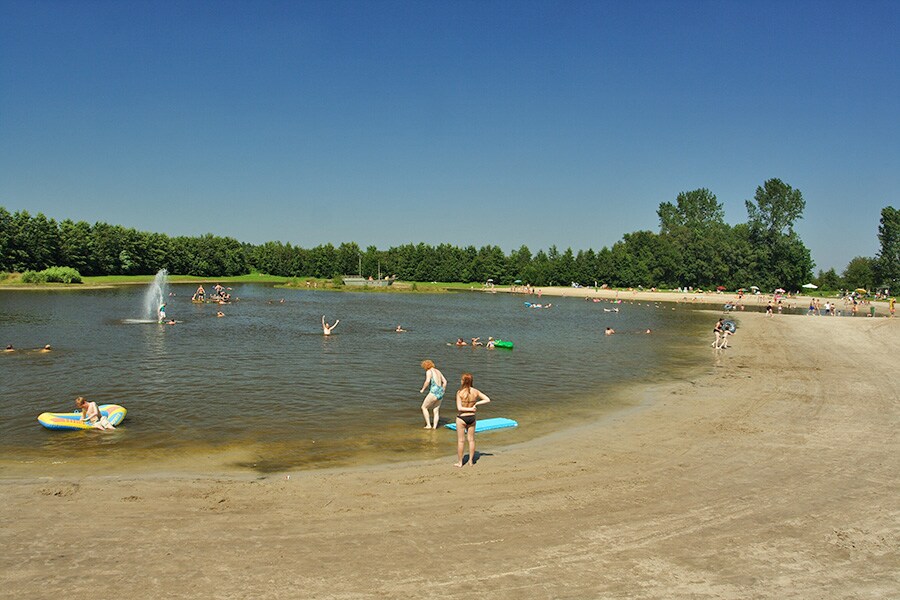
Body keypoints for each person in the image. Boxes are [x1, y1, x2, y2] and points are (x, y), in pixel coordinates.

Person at [454, 373, 491, 467]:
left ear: (464, 381)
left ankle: (460, 462)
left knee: (461, 441)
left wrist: (469, 408)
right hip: (472, 418)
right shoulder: (475, 392)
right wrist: (476, 404)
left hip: (462, 418)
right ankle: (470, 461)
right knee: (471, 440)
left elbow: (459, 408)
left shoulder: (459, 392)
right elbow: (487, 399)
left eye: (461, 379)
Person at [419, 360, 447, 429]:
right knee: (436, 410)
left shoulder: (429, 371)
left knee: (424, 407)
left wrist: (423, 389)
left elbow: (427, 381)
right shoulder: (438, 371)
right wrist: (443, 390)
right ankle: (434, 427)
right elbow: (445, 381)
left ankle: (428, 425)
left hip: (434, 392)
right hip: (440, 391)